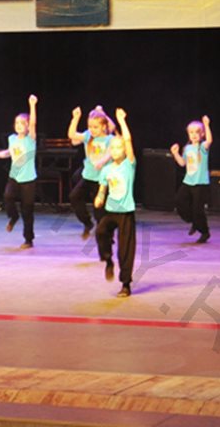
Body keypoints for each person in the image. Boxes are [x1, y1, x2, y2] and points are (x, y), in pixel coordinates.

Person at [94, 108, 136, 298]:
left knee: (125, 249)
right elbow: (103, 187)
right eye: (113, 148)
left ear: (124, 150)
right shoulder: (107, 169)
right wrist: (100, 197)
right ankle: (107, 259)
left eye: (119, 148)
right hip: (110, 210)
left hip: (125, 212)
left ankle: (125, 284)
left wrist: (121, 121)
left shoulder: (129, 165)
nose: (116, 150)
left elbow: (127, 140)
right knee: (100, 232)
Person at [0, 95, 39, 248]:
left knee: (27, 210)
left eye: (22, 123)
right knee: (7, 197)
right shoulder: (12, 139)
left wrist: (32, 105)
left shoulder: (30, 139)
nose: (19, 125)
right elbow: (9, 153)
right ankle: (13, 217)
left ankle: (28, 239)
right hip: (14, 177)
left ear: (27, 126)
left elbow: (33, 123)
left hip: (28, 180)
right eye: (16, 123)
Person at [67, 105, 115, 239]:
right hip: (88, 176)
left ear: (103, 127)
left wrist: (102, 161)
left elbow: (111, 153)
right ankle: (87, 223)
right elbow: (72, 135)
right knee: (74, 197)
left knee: (99, 210)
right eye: (90, 126)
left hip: (102, 180)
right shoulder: (88, 136)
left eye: (95, 127)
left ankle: (105, 235)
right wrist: (75, 118)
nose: (92, 129)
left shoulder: (109, 139)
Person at [171, 115, 213, 243]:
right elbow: (182, 163)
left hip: (200, 183)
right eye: (191, 132)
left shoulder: (202, 147)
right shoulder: (187, 148)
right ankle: (194, 221)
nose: (194, 135)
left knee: (198, 209)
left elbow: (209, 140)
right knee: (179, 201)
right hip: (188, 181)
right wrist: (175, 153)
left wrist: (206, 125)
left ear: (202, 134)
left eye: (197, 132)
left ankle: (205, 232)